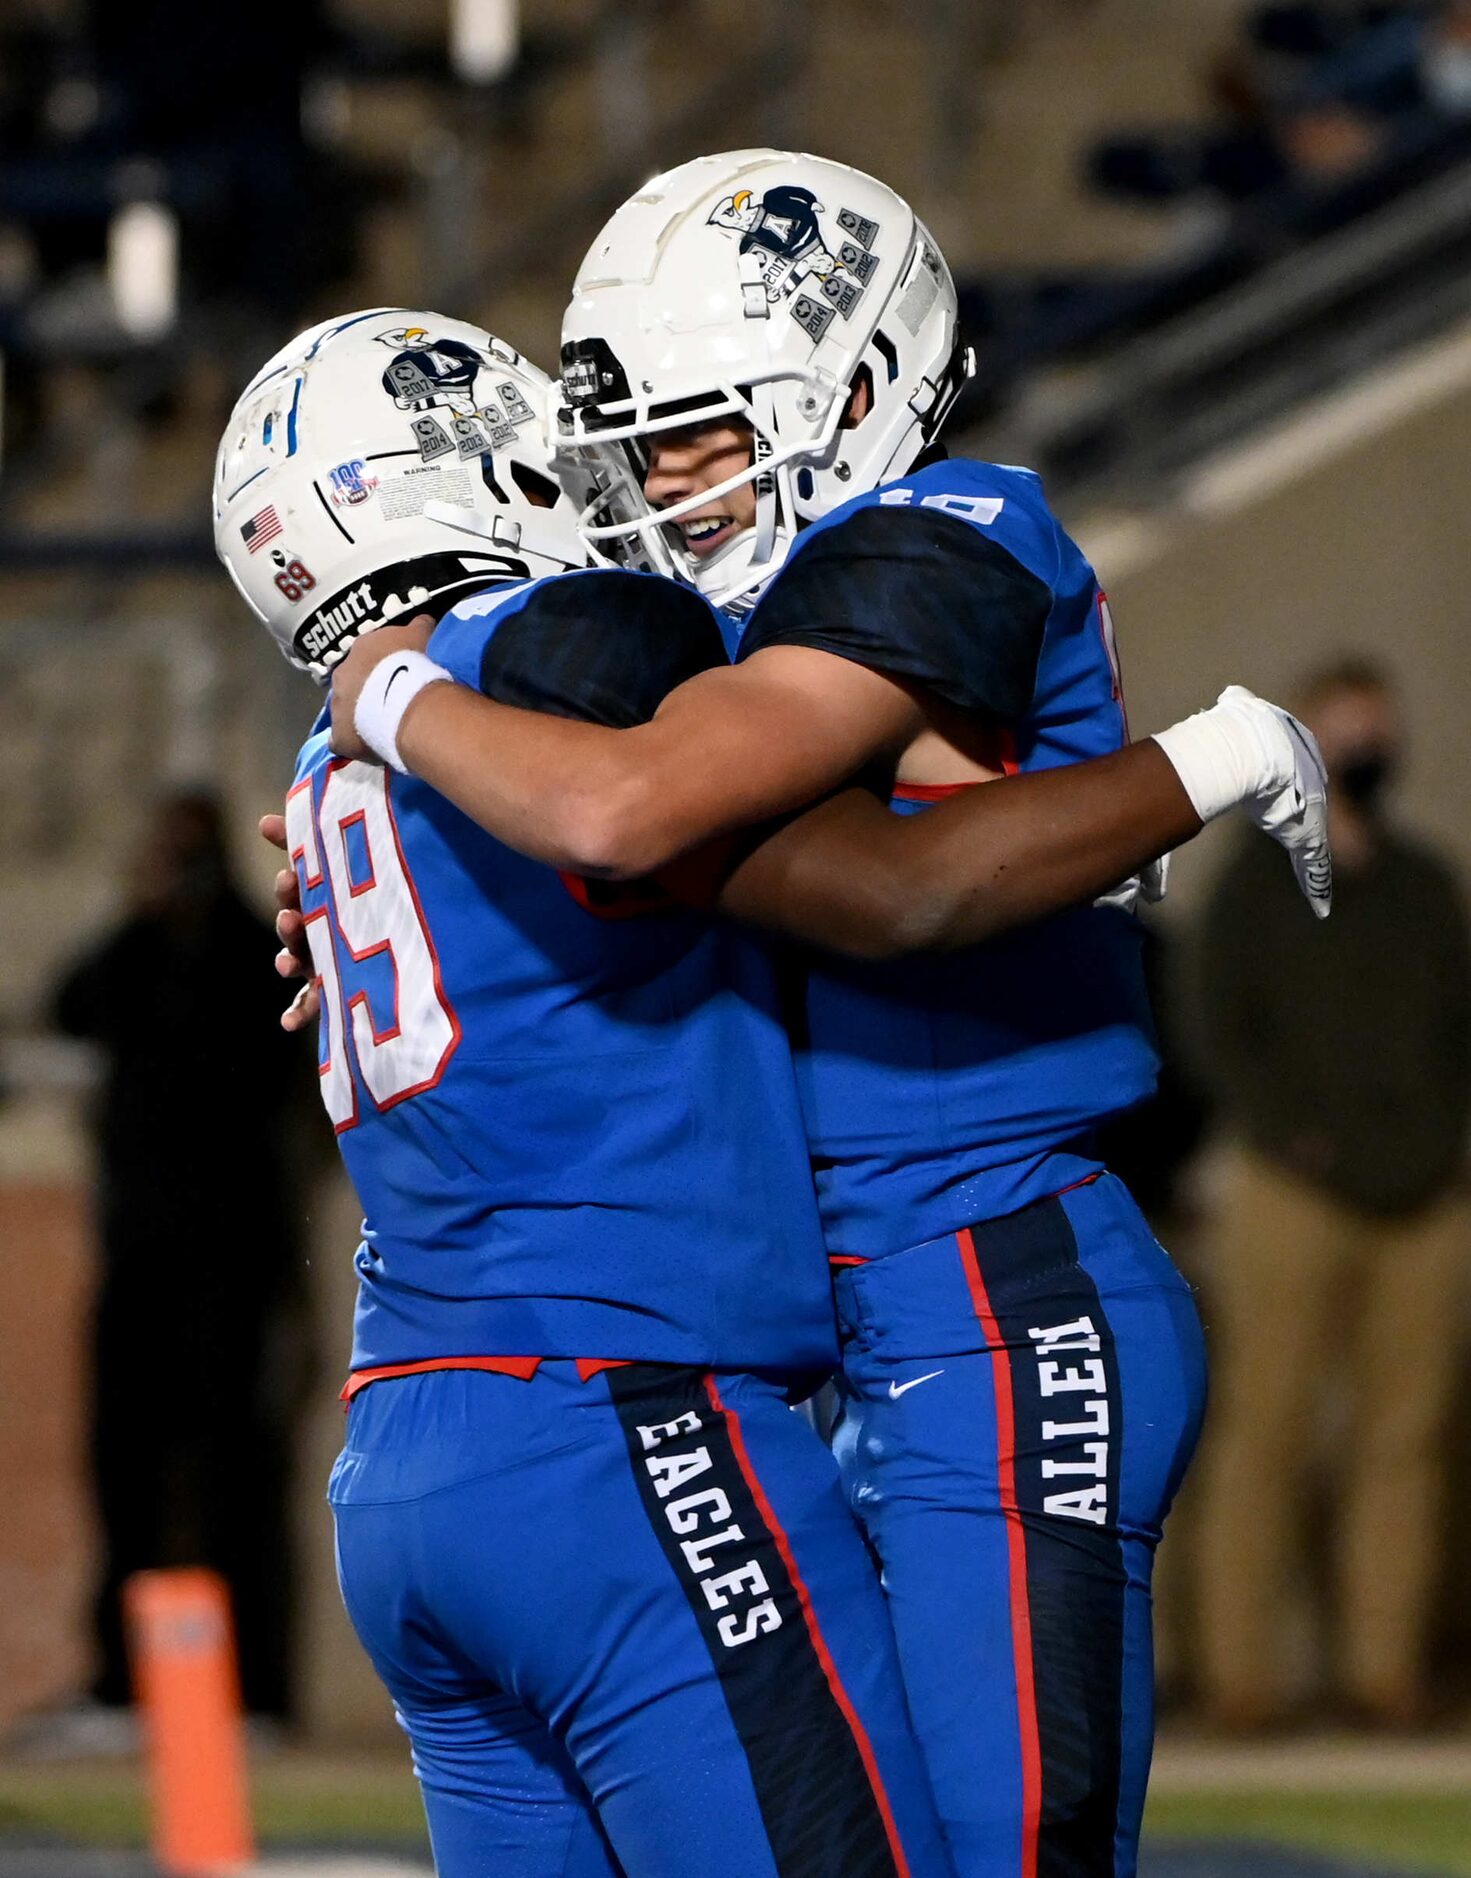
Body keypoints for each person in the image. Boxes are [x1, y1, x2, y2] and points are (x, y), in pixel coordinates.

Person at [318, 153, 1330, 1878]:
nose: (663, 480)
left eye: (705, 430)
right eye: (640, 439)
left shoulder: (954, 525)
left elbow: (871, 885)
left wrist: (391, 707)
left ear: (854, 388)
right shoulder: (707, 628)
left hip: (996, 1289)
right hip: (829, 1336)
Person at [1192, 657, 1471, 1733]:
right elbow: (1220, 1029)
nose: (1364, 748)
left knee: (1406, 1438)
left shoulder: (1422, 882)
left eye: (1376, 728)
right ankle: (1243, 1679)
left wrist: (1443, 1146)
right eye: (1344, 728)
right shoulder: (1257, 882)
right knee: (1266, 1430)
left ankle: (1381, 1672)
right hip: (1291, 1188)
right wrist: (1292, 1137)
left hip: (1425, 1192)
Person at [52, 789, 306, 1724]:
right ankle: (119, 1682)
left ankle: (249, 1692)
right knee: (123, 1462)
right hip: (138, 1254)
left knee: (235, 1470)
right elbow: (66, 1003)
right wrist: (140, 911)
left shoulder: (253, 950)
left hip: (233, 1256)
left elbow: (276, 1043)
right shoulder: (138, 951)